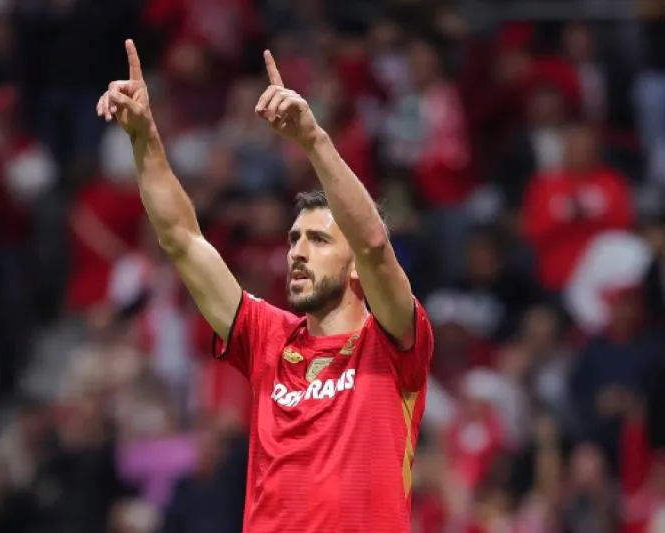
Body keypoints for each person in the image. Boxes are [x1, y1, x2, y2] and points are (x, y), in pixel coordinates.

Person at [96, 39, 434, 533]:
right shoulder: (268, 339)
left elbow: (374, 244)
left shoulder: (393, 343)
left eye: (319, 240)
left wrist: (313, 140)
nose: (297, 251)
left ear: (354, 268)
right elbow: (183, 240)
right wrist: (144, 136)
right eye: (294, 239)